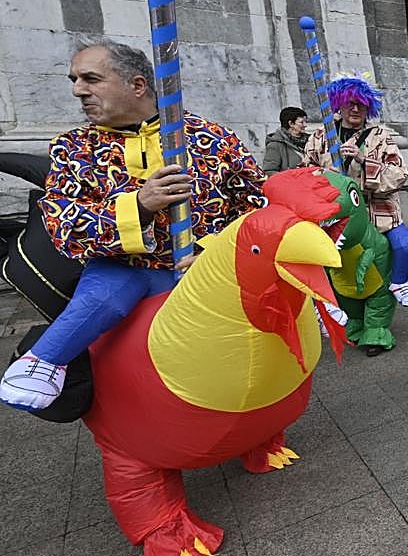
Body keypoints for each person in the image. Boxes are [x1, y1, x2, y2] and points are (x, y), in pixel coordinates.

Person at [1, 39, 265, 411]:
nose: (78, 90)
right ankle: (45, 360)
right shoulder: (72, 149)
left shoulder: (211, 137)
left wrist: (217, 252)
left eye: (91, 79)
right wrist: (138, 207)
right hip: (125, 269)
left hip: (213, 271)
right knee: (102, 299)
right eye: (75, 80)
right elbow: (63, 226)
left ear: (137, 85)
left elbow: (256, 204)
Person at [302, 74, 408, 310]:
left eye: (361, 105)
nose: (355, 109)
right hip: (335, 216)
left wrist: (365, 161)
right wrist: (327, 177)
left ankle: (399, 284)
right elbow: (304, 173)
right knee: (319, 259)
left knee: (406, 245)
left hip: (379, 214)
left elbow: (399, 174)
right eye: (350, 103)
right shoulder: (320, 137)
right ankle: (325, 304)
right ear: (340, 104)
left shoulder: (380, 136)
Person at [262, 107, 309, 175]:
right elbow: (269, 171)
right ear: (291, 124)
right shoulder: (275, 145)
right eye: (302, 122)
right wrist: (290, 178)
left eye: (306, 121)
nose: (305, 125)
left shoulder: (311, 141)